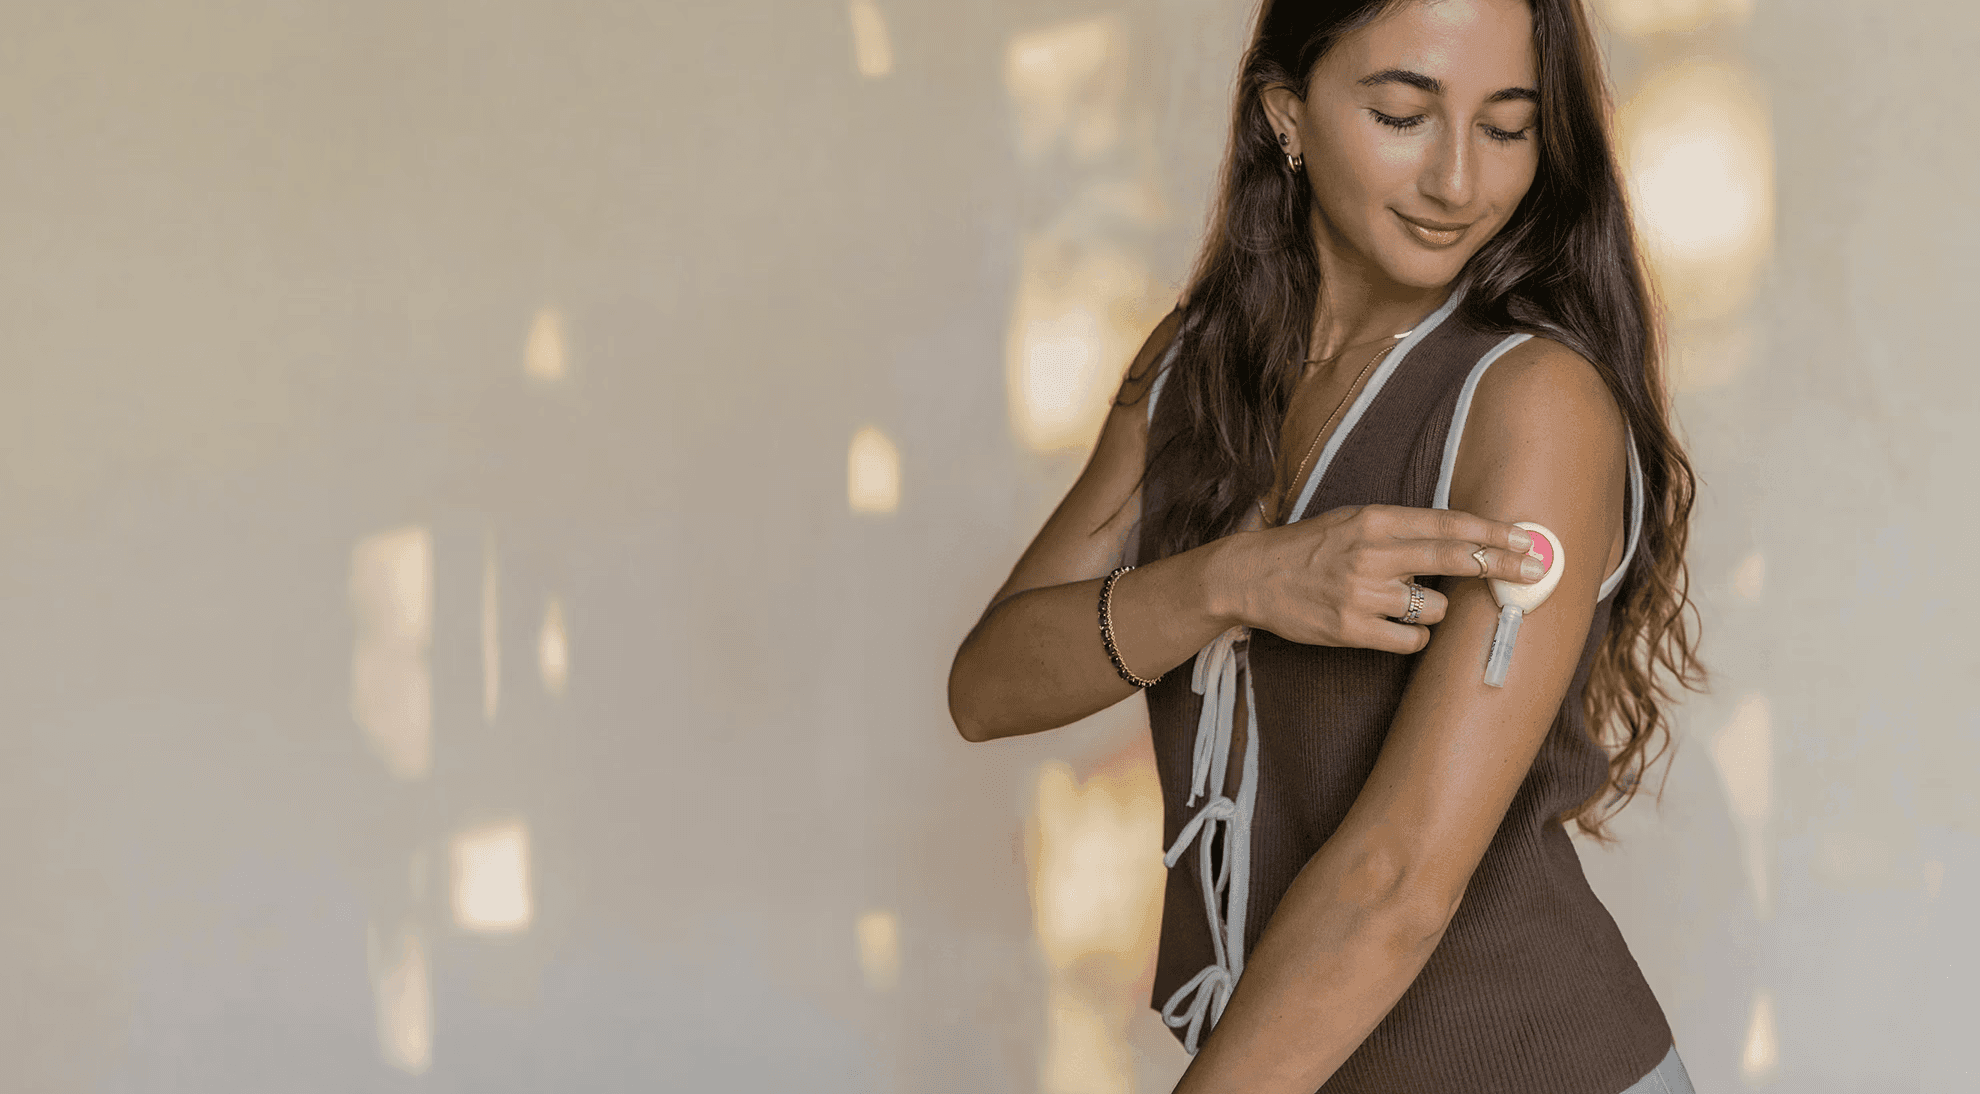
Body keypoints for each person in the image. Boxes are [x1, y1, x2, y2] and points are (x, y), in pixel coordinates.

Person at [948, 0, 1706, 1091]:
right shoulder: (1194, 366)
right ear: (1286, 113)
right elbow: (989, 686)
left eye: (1506, 128)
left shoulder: (1533, 403)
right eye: (1404, 113)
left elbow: (1397, 883)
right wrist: (1236, 578)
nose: (1459, 181)